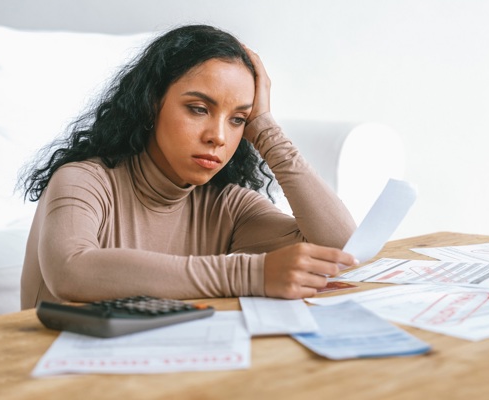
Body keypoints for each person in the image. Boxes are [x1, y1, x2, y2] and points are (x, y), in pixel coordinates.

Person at [19, 24, 358, 309]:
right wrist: (251, 274)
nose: (219, 136)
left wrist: (265, 128)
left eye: (238, 119)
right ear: (152, 103)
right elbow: (71, 271)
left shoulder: (227, 205)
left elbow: (342, 248)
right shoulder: (82, 180)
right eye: (198, 109)